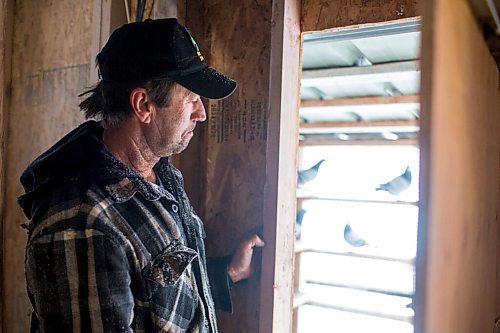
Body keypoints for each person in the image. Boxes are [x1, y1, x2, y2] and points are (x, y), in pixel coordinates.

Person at [18, 18, 264, 333]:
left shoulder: (162, 176)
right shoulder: (84, 223)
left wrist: (227, 273)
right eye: (191, 100)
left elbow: (158, 298)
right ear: (143, 104)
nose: (201, 113)